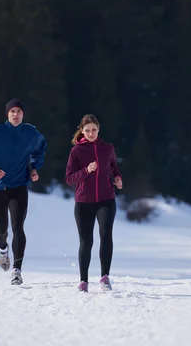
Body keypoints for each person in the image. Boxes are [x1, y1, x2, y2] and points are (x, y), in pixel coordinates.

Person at [0, 98, 47, 285]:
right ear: (7, 114)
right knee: (2, 229)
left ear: (23, 114)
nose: (16, 115)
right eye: (12, 111)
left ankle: (17, 270)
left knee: (18, 227)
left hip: (19, 187)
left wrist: (34, 168)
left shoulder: (31, 132)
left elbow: (41, 148)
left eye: (19, 112)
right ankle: (3, 250)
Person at [65, 114, 123, 292]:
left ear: (99, 130)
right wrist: (86, 170)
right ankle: (83, 281)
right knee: (86, 242)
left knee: (106, 236)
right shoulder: (76, 151)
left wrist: (118, 177)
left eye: (94, 130)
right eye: (87, 130)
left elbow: (112, 164)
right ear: (82, 131)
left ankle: (105, 278)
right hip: (84, 202)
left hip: (106, 200)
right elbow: (69, 178)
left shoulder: (107, 148)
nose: (91, 133)